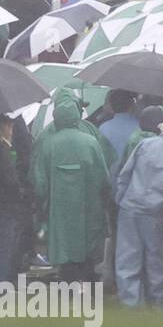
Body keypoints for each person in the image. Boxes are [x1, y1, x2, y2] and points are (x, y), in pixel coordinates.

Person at [31, 88, 109, 281]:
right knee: (88, 250)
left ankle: (68, 289)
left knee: (65, 251)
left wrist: (41, 208)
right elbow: (104, 177)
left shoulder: (46, 140)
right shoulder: (91, 138)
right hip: (89, 209)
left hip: (58, 213)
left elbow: (38, 181)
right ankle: (90, 292)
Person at [114, 113, 163, 308]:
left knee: (127, 262)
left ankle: (130, 307)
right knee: (157, 264)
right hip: (158, 214)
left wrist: (120, 199)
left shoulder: (146, 144)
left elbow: (125, 174)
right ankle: (158, 308)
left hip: (130, 209)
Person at [0, 112, 23, 294]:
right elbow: (9, 179)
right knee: (3, 245)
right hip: (6, 202)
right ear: (5, 127)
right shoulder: (2, 149)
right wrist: (20, 193)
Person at [98, 89, 139, 168]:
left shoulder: (104, 128)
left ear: (111, 105)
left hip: (110, 175)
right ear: (131, 105)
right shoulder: (139, 127)